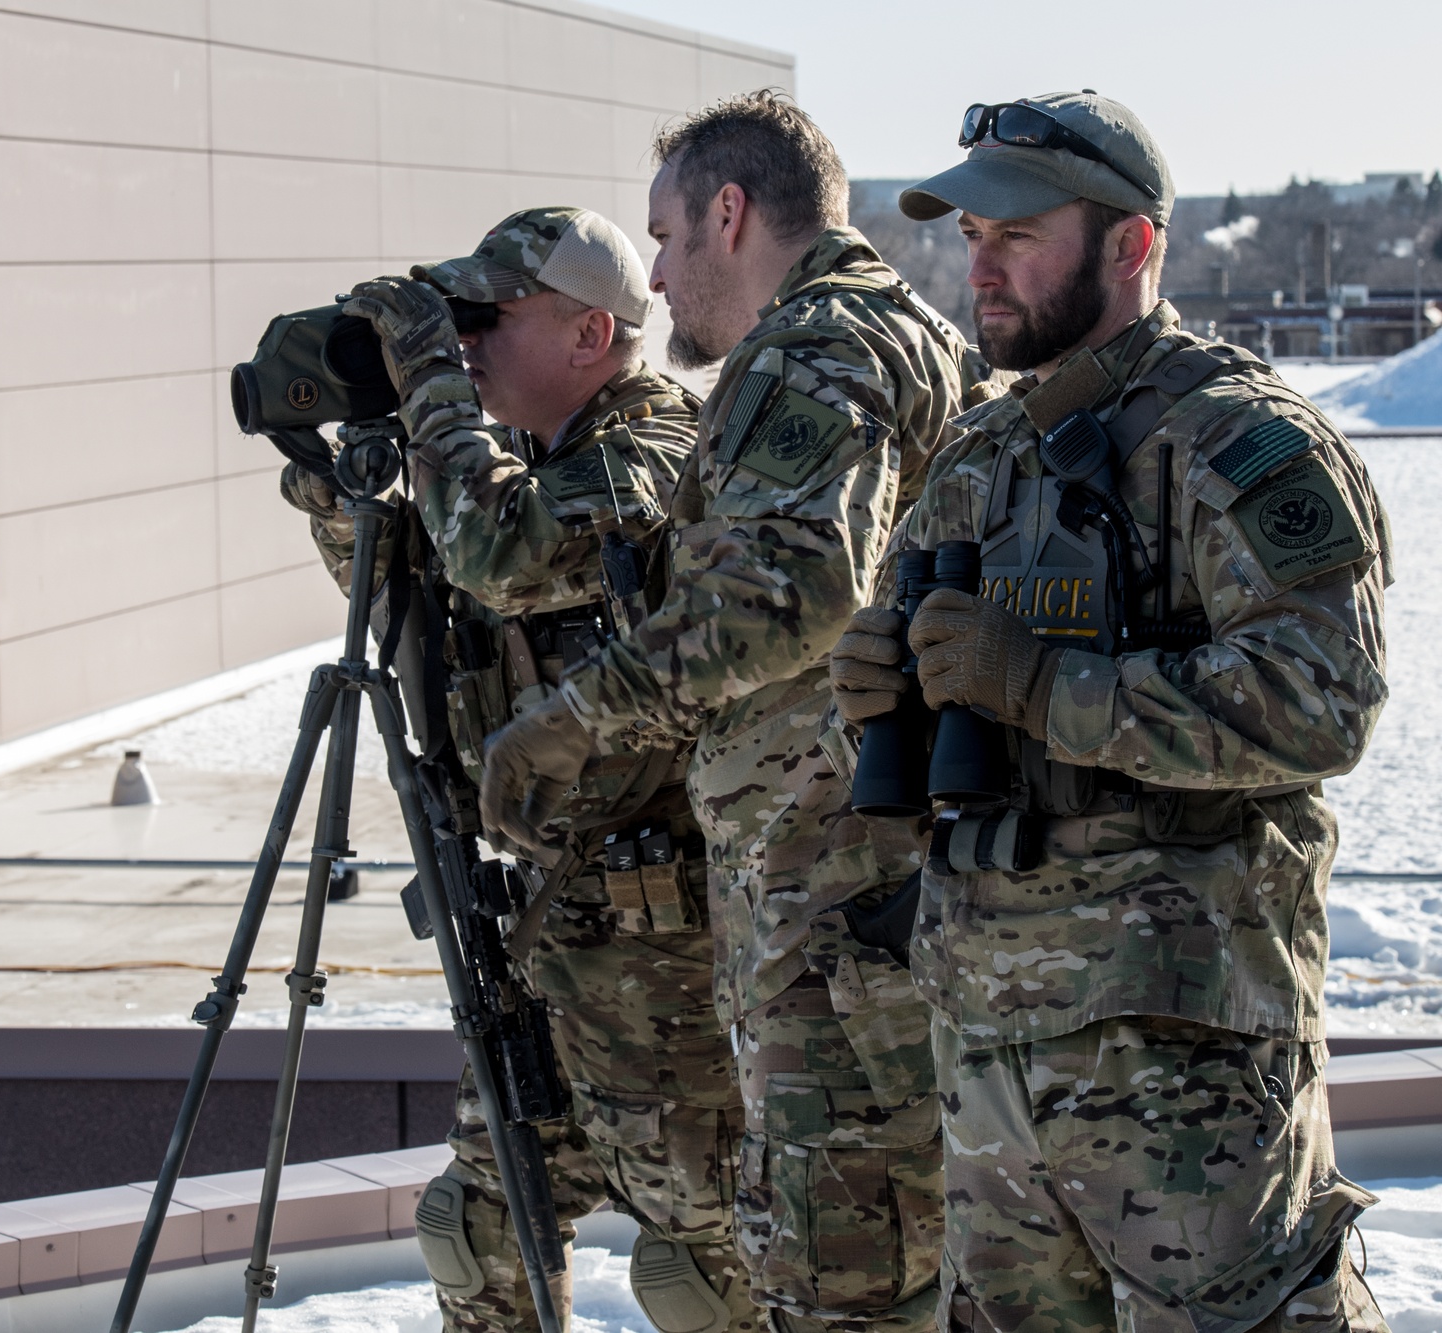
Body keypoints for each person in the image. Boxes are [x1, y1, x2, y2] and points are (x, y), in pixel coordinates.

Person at [827, 92, 1392, 1332]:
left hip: (1176, 1052)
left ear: (1130, 245)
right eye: (970, 233)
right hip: (987, 1045)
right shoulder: (980, 456)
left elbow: (1320, 703)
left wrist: (1040, 685)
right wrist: (869, 698)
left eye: (1018, 233)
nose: (979, 264)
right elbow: (912, 722)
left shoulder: (1238, 444)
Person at [481, 93, 990, 1331]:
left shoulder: (809, 346)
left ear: (729, 212)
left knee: (836, 1279)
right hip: (876, 895)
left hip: (835, 911)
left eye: (662, 236)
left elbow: (779, 601)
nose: (653, 279)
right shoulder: (908, 332)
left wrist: (566, 720)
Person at [280, 206, 759, 1332]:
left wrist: (430, 389)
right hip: (536, 939)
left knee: (702, 1271)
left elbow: (504, 555)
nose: (457, 349)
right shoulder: (508, 465)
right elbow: (407, 578)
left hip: (675, 966)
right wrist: (327, 471)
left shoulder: (663, 456)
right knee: (477, 1226)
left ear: (590, 334)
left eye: (481, 321)